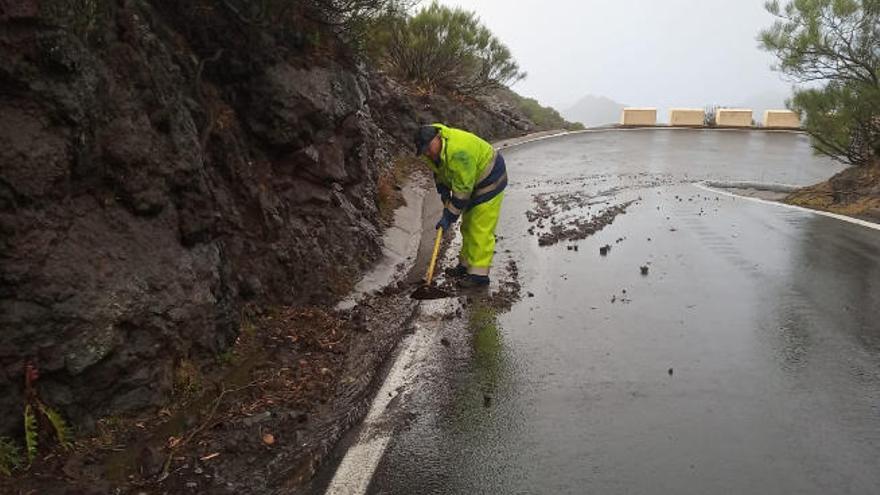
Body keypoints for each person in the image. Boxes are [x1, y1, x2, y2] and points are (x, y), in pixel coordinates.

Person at [414, 123, 507, 288]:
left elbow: (462, 191)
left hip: (490, 178)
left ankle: (478, 277)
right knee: (467, 226)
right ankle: (465, 266)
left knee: (480, 228)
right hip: (472, 180)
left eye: (428, 148)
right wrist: (443, 191)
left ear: (437, 138)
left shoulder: (458, 153)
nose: (427, 153)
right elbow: (440, 172)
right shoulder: (435, 152)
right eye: (424, 151)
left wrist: (449, 216)